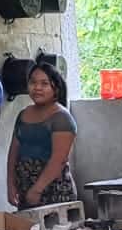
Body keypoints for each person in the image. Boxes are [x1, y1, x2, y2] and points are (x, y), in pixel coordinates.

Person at [7, 62, 79, 209]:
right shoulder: (23, 115)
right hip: (26, 190)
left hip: (55, 191)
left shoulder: (61, 118)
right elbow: (13, 153)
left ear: (55, 88)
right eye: (33, 82)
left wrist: (37, 189)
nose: (37, 88)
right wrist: (11, 185)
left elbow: (58, 160)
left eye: (44, 83)